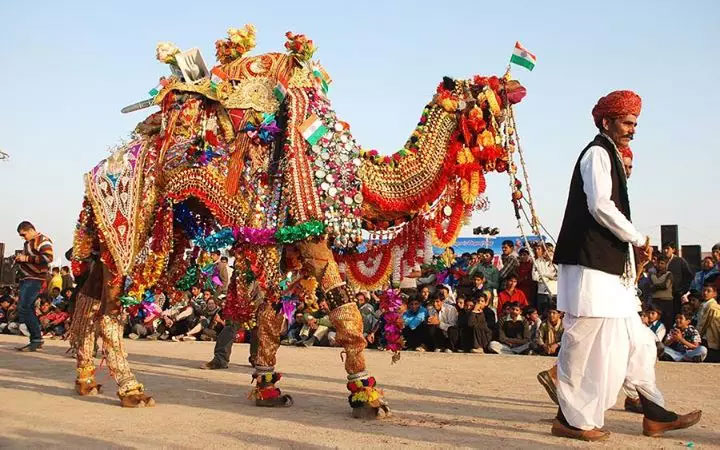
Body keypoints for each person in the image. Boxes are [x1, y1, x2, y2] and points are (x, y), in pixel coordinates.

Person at [549, 91, 700, 441]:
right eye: (627, 122)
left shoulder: (611, 156)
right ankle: (570, 419)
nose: (633, 129)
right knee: (585, 345)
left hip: (609, 272)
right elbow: (601, 205)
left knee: (634, 344)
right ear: (607, 121)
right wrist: (637, 238)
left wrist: (634, 252)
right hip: (590, 268)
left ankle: (654, 411)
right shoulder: (597, 154)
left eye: (635, 124)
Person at [14, 221, 54, 352]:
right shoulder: (29, 243)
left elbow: (48, 258)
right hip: (28, 278)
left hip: (35, 278)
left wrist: (26, 259)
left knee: (24, 308)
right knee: (27, 308)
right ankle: (35, 339)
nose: (23, 237)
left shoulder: (42, 240)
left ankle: (36, 338)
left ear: (30, 230)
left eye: (23, 234)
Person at [663, 242, 693, 318]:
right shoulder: (661, 261)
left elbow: (689, 276)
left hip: (676, 295)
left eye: (667, 248)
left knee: (676, 315)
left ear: (673, 250)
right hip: (663, 296)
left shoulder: (680, 261)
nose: (665, 251)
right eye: (664, 248)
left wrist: (683, 291)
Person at [532, 243, 558, 316]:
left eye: (550, 251)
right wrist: (549, 277)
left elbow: (557, 276)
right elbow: (535, 277)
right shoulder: (537, 262)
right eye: (546, 251)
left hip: (554, 292)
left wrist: (544, 274)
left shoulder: (556, 262)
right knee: (542, 313)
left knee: (555, 313)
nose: (548, 253)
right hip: (542, 292)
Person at [650, 255, 674, 331]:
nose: (660, 265)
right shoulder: (652, 275)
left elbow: (665, 285)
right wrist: (658, 285)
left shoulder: (669, 274)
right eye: (658, 263)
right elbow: (650, 287)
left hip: (666, 301)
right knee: (654, 321)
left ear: (666, 264)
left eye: (662, 263)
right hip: (655, 301)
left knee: (666, 322)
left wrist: (655, 286)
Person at [697, 283, 720, 362]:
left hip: (710, 339)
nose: (705, 293)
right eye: (704, 290)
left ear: (715, 294)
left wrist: (697, 336)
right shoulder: (703, 305)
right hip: (704, 337)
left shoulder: (713, 307)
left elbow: (703, 324)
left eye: (708, 291)